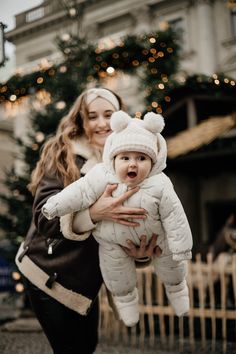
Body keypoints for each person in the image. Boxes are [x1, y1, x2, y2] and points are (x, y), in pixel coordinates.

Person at [15, 88, 161, 354]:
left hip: (86, 281)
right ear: (81, 120)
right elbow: (43, 217)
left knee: (86, 346)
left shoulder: (131, 158)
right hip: (48, 271)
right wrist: (94, 213)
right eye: (92, 116)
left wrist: (140, 253)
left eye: (109, 114)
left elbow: (132, 222)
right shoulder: (63, 153)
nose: (102, 123)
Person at [42, 110, 193, 327]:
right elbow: (80, 192)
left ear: (154, 161)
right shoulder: (101, 174)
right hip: (112, 243)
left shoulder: (160, 184)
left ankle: (178, 293)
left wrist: (182, 247)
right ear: (114, 157)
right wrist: (55, 205)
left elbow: (174, 216)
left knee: (172, 265)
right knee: (118, 278)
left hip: (156, 239)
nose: (133, 164)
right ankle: (126, 304)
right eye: (125, 158)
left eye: (141, 158)